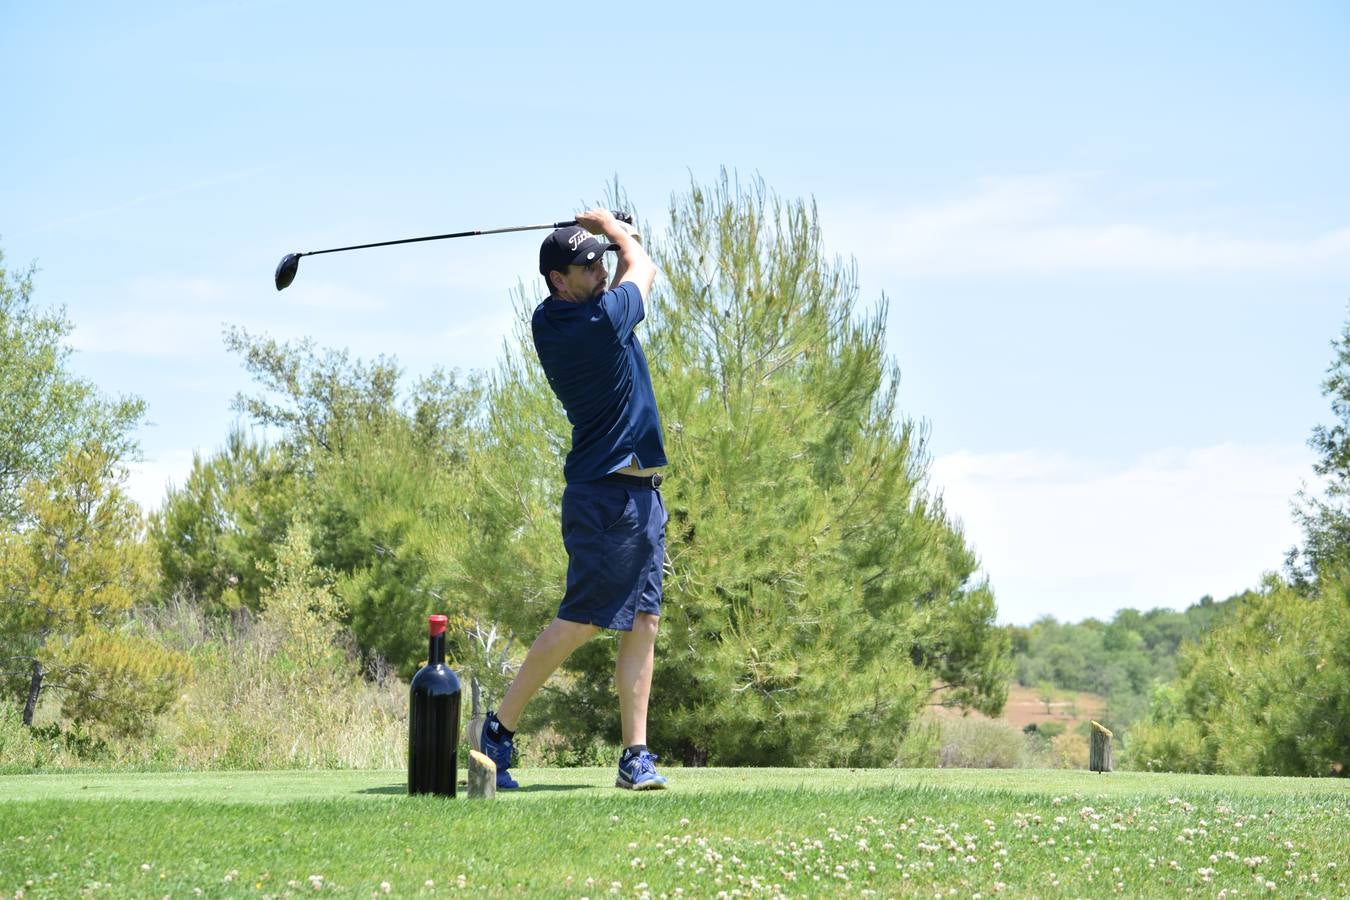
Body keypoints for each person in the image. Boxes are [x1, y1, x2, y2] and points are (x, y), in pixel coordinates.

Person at [473, 208, 669, 790]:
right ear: (559, 280)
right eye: (587, 267)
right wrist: (617, 230)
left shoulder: (558, 316)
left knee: (643, 622)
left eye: (600, 263)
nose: (600, 272)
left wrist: (608, 239)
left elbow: (623, 270)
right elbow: (643, 267)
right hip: (606, 495)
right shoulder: (596, 322)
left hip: (639, 494)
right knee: (582, 620)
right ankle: (498, 729)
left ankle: (636, 756)